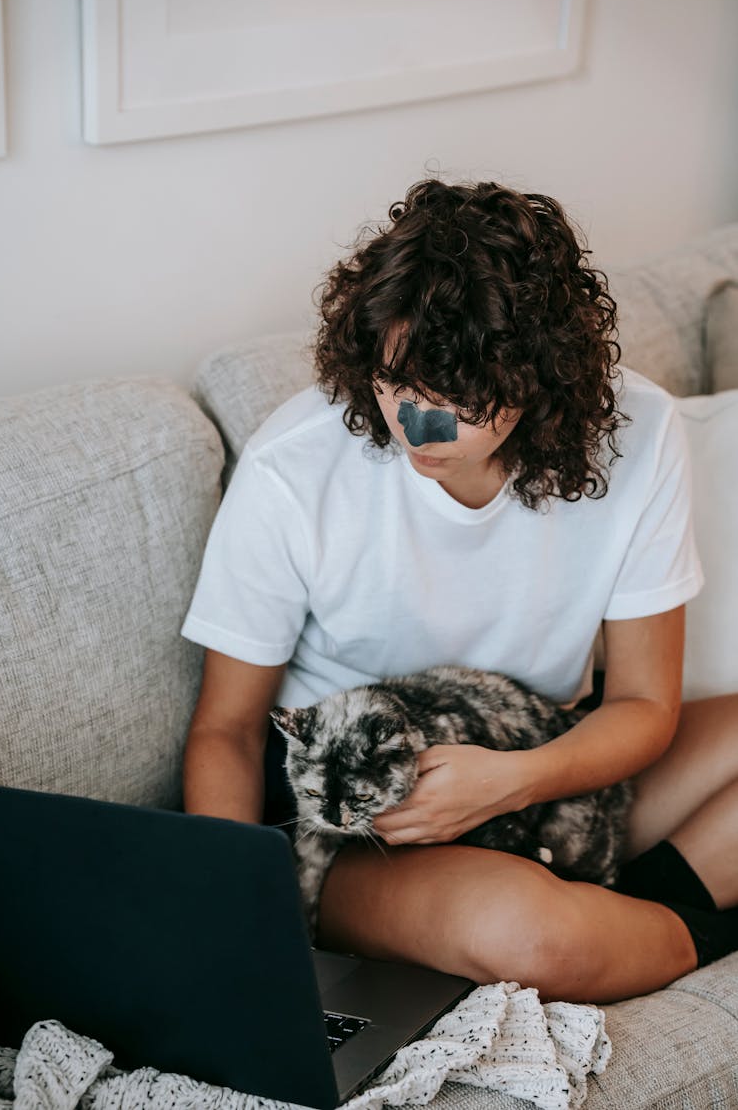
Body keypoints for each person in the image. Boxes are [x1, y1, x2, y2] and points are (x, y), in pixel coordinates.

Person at [181, 178, 738, 1004]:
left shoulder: (642, 434)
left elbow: (645, 705)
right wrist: (238, 929)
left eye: (457, 403)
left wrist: (509, 780)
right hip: (364, 823)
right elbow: (227, 730)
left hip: (546, 756)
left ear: (538, 380)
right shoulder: (294, 469)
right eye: (394, 383)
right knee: (538, 934)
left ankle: (625, 911)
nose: (415, 427)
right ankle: (647, 923)